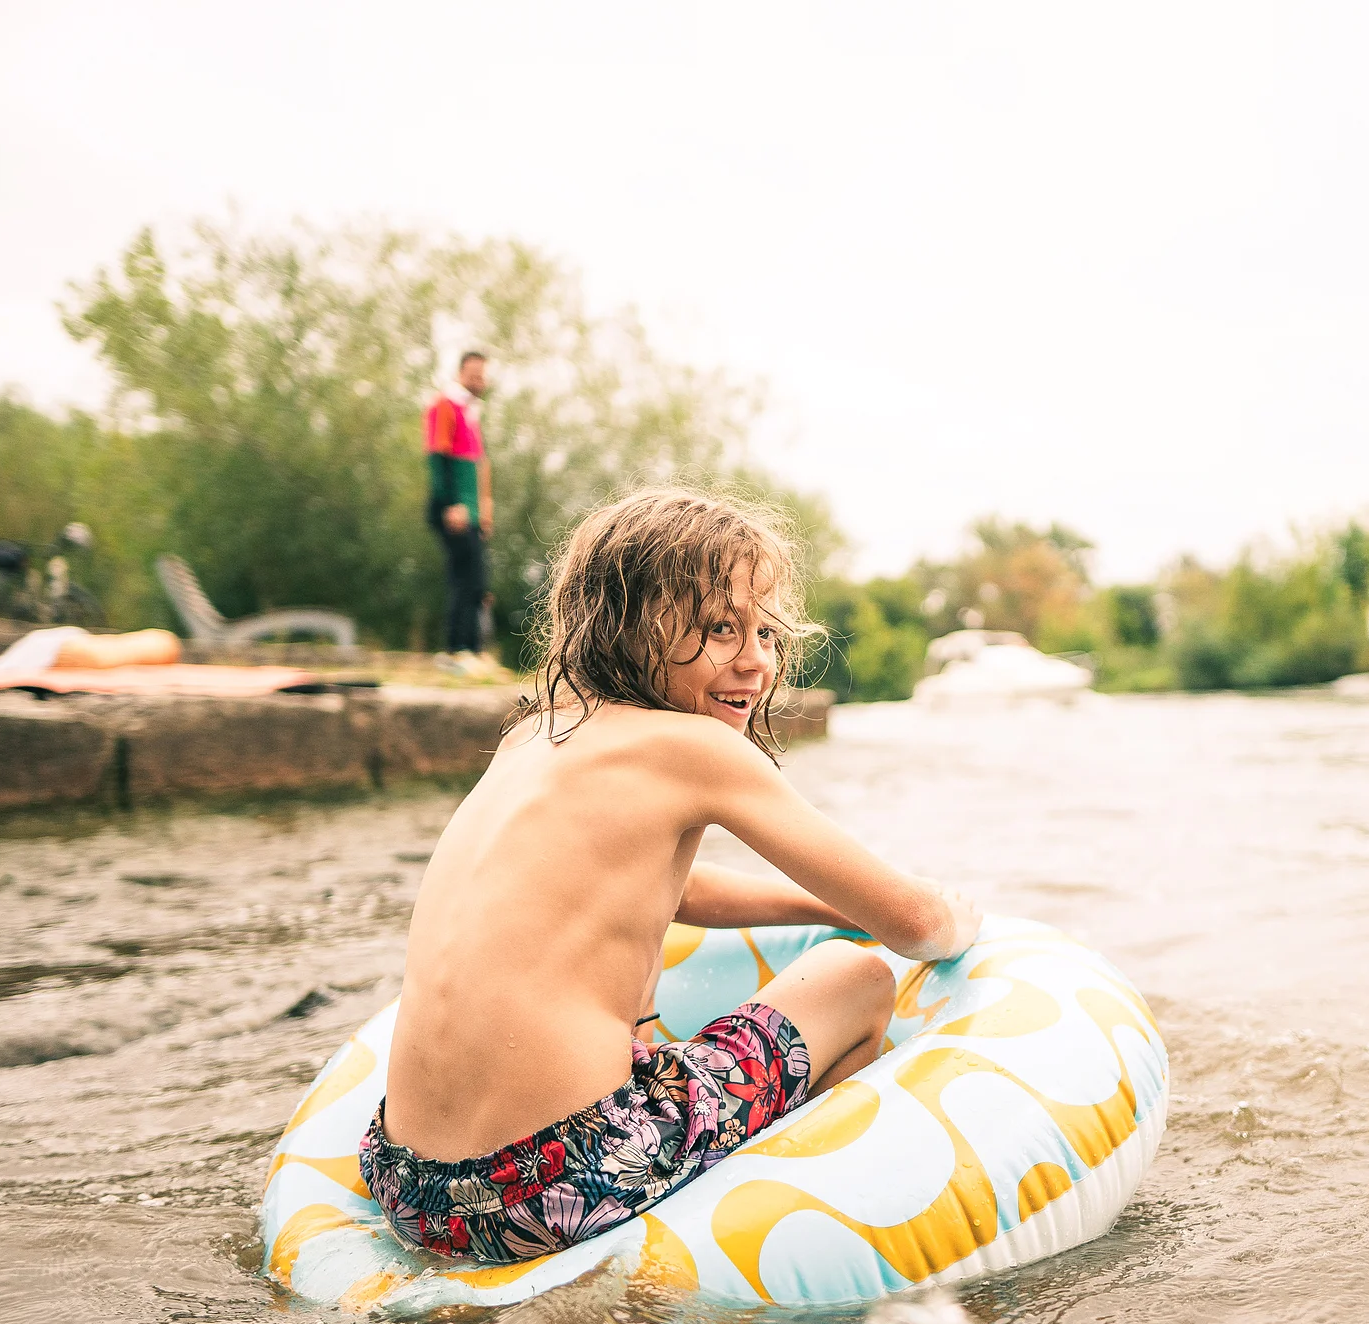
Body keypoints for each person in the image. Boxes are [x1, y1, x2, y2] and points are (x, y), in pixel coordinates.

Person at [362, 488, 981, 1263]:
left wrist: (821, 905)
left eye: (764, 630)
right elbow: (916, 928)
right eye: (720, 628)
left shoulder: (532, 735)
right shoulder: (697, 749)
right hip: (551, 1186)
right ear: (630, 627)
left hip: (410, 1186)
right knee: (852, 977)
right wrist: (956, 913)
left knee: (745, 980)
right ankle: (773, 1221)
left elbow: (671, 892)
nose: (756, 660)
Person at [424, 351, 495, 668]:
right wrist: (452, 504)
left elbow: (479, 465)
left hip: (472, 512)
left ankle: (472, 651)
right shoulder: (446, 405)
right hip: (454, 509)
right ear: (461, 373)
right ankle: (458, 651)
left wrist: (483, 510)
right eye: (474, 374)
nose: (479, 380)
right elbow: (437, 457)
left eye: (483, 374)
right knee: (465, 579)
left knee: (477, 581)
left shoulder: (471, 412)